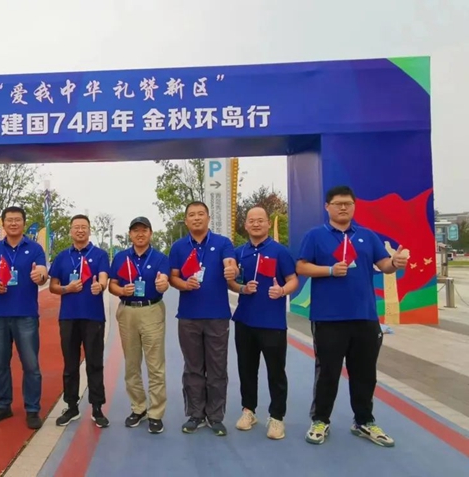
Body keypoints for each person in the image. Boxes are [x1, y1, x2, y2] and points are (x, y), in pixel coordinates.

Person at [296, 185, 408, 447]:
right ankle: (320, 420)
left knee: (365, 373)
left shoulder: (367, 236)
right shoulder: (315, 236)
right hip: (328, 318)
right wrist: (330, 270)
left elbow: (384, 265)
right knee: (328, 372)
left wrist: (395, 263)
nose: (343, 207)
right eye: (338, 203)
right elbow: (301, 266)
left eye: (348, 203)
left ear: (354, 206)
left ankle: (364, 421)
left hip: (365, 316)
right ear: (327, 207)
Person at [168, 201, 238, 436]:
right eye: (192, 215)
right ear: (186, 220)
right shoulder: (178, 247)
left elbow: (231, 264)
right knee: (193, 368)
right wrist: (183, 284)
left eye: (200, 214)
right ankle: (195, 414)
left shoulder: (223, 243)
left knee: (217, 368)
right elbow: (173, 277)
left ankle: (215, 416)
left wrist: (232, 270)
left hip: (217, 316)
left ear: (208, 218)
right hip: (188, 317)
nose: (196, 218)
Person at [230, 207, 298, 440]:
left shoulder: (280, 251)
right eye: (251, 221)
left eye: (260, 220)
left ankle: (277, 417)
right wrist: (242, 288)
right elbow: (231, 282)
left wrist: (282, 291)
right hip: (244, 321)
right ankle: (248, 411)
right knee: (246, 369)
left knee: (276, 372)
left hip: (272, 323)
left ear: (268, 224)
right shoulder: (238, 253)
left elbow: (293, 280)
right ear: (245, 225)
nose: (256, 224)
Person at [0, 206, 48, 429]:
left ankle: (32, 410)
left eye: (18, 220)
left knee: (31, 365)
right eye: (9, 220)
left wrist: (39, 276)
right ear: (3, 223)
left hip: (26, 315)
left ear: (23, 223)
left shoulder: (35, 248)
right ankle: (3, 405)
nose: (13, 223)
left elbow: (43, 273)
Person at [108, 216, 170, 434]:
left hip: (152, 310)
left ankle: (156, 413)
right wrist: (121, 290)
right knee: (131, 364)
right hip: (127, 312)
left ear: (150, 233)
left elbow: (164, 281)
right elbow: (112, 285)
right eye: (135, 230)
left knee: (155, 365)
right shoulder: (121, 257)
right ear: (130, 234)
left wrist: (163, 284)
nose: (140, 234)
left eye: (144, 230)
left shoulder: (160, 258)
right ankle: (138, 408)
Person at [49, 214, 111, 428]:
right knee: (70, 364)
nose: (80, 230)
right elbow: (53, 286)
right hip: (68, 317)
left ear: (89, 230)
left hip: (93, 317)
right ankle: (71, 406)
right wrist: (67, 288)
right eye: (76, 227)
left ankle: (97, 407)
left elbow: (103, 279)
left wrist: (99, 286)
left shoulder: (100, 254)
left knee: (94, 363)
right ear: (70, 231)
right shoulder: (62, 257)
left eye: (84, 227)